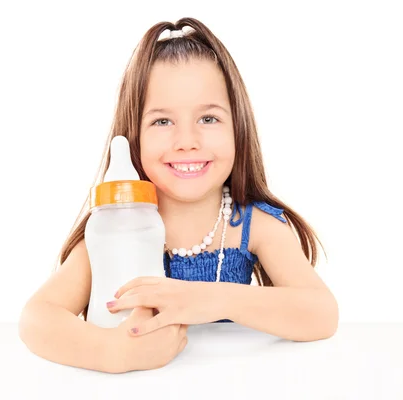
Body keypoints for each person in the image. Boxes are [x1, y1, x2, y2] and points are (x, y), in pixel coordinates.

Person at [18, 17, 338, 374]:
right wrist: (111, 353)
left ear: (239, 127)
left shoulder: (251, 225)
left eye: (208, 119)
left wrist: (211, 300)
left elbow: (321, 313)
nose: (187, 140)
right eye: (162, 122)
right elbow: (37, 319)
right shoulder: (117, 227)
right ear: (133, 136)